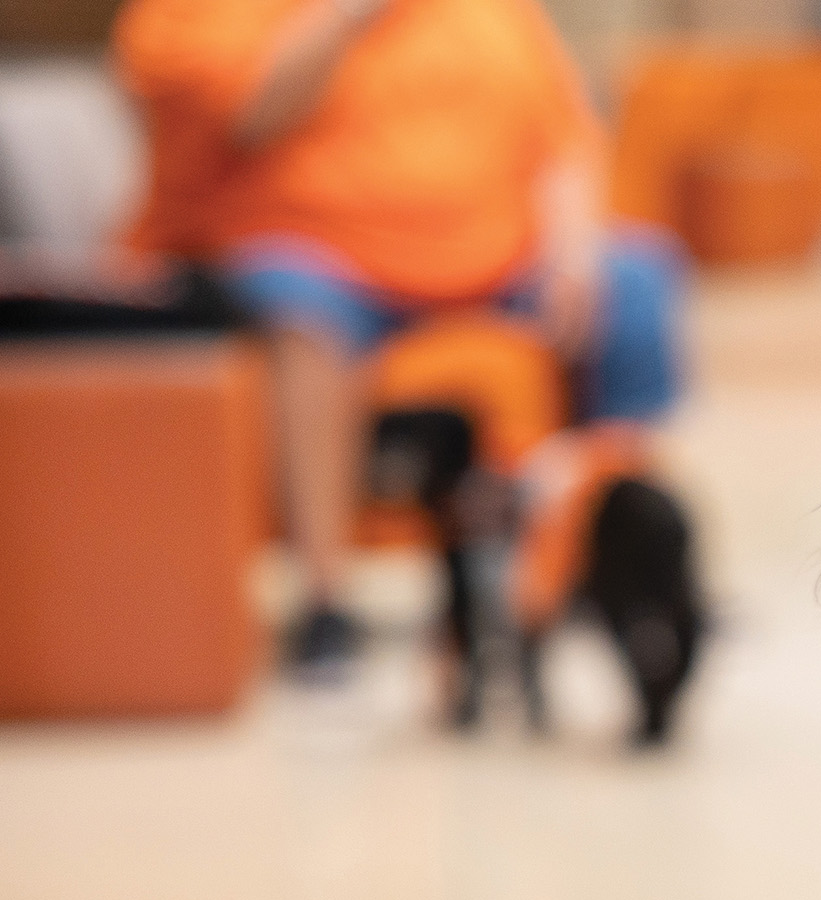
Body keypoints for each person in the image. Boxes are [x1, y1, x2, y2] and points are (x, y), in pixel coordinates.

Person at [114, 0, 684, 678]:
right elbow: (247, 115)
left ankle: (614, 566)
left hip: (491, 252)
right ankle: (326, 603)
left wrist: (574, 252)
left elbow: (561, 136)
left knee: (639, 281)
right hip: (310, 250)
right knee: (300, 317)